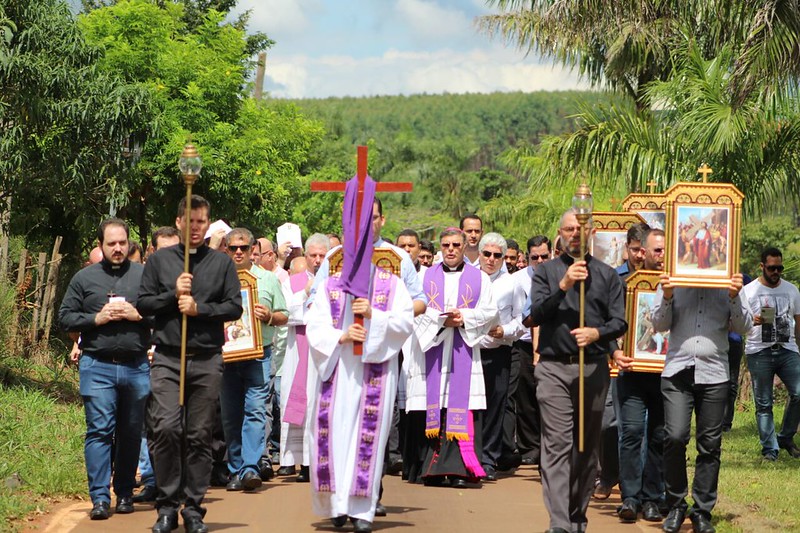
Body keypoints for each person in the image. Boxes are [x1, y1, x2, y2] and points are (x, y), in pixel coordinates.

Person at [137, 195, 243, 533]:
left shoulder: (221, 263)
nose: (195, 228)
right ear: (179, 222)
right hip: (168, 357)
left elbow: (234, 307)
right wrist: (172, 294)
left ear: (207, 224)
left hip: (206, 358)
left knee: (199, 435)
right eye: (190, 221)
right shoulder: (160, 261)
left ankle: (194, 508)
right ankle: (167, 506)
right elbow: (143, 304)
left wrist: (200, 309)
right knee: (166, 428)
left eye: (201, 222)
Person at [530, 209, 630, 533]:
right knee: (557, 445)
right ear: (560, 233)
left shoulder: (607, 275)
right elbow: (536, 314)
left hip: (593, 371)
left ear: (592, 233)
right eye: (569, 228)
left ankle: (576, 515)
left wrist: (597, 333)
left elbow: (619, 321)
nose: (575, 233)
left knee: (586, 449)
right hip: (554, 369)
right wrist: (563, 285)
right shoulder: (546, 272)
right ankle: (559, 522)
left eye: (581, 228)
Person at [59, 218, 151, 520]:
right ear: (101, 245)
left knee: (130, 431)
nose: (118, 248)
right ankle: (99, 497)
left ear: (129, 243)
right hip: (97, 365)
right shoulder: (84, 278)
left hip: (136, 365)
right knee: (99, 431)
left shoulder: (144, 276)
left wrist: (138, 315)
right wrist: (95, 319)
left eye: (122, 242)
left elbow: (163, 315)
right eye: (111, 243)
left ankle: (124, 492)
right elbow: (65, 317)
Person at [651, 268, 751, 533]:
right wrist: (668, 294)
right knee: (674, 437)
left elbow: (744, 327)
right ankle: (675, 504)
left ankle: (702, 511)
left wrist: (734, 296)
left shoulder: (729, 279)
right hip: (677, 372)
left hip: (714, 374)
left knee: (710, 445)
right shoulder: (674, 276)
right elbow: (658, 324)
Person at [406, 227, 497, 487]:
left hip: (463, 349)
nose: (451, 250)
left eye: (456, 245)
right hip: (432, 348)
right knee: (433, 404)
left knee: (460, 404)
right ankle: (431, 470)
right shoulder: (424, 277)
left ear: (464, 247)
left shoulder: (480, 278)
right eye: (446, 245)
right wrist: (440, 321)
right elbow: (414, 308)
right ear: (440, 247)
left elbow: (490, 311)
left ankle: (459, 471)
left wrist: (464, 318)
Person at [221, 228, 288, 492]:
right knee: (231, 415)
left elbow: (284, 315)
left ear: (253, 251)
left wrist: (269, 315)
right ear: (226, 250)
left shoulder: (268, 280)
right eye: (233, 248)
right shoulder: (218, 279)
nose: (239, 252)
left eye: (244, 248)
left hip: (260, 355)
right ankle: (235, 470)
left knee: (256, 410)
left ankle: (250, 468)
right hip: (227, 356)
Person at [616, 228, 667, 523]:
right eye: (656, 250)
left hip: (667, 374)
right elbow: (609, 321)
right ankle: (630, 497)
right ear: (643, 252)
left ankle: (652, 498)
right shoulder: (625, 284)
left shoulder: (677, 284)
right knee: (632, 432)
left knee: (659, 434)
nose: (661, 256)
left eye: (665, 250)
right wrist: (615, 349)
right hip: (633, 372)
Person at [596, 222, 650, 500]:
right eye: (635, 250)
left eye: (644, 250)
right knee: (609, 422)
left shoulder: (659, 281)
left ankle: (640, 486)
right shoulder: (613, 278)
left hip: (649, 362)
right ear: (626, 248)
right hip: (613, 359)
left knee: (643, 428)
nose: (640, 256)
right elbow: (602, 319)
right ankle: (608, 475)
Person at [132, 226, 182, 505]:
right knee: (145, 423)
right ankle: (151, 479)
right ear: (152, 251)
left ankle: (176, 480)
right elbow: (138, 309)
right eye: (163, 250)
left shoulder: (188, 279)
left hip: (173, 360)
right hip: (141, 359)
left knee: (172, 423)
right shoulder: (140, 277)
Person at [279, 235, 330, 482]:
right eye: (313, 255)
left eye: (322, 256)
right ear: (305, 256)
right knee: (304, 403)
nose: (317, 260)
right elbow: (285, 313)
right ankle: (304, 464)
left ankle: (323, 462)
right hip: (300, 353)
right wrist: (305, 293)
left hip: (327, 353)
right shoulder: (294, 282)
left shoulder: (335, 281)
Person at [742, 247, 800, 461]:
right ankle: (770, 449)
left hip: (787, 349)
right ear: (762, 266)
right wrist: (752, 321)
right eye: (771, 268)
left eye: (779, 268)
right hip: (759, 351)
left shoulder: (792, 290)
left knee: (798, 392)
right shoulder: (748, 291)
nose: (776, 272)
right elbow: (737, 323)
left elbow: (798, 322)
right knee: (764, 403)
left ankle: (785, 437)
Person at [476, 233, 525, 480]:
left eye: (497, 255)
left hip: (498, 352)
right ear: (480, 254)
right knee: (471, 407)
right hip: (469, 352)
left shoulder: (512, 283)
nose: (491, 259)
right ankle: (468, 457)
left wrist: (504, 330)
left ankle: (488, 459)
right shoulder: (468, 278)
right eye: (487, 254)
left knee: (496, 407)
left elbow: (522, 319)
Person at [508, 235, 550, 468]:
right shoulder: (517, 279)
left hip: (550, 344)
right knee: (525, 396)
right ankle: (529, 446)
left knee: (548, 396)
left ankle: (547, 445)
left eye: (544, 256)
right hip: (523, 343)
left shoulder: (557, 275)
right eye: (535, 257)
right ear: (527, 257)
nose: (540, 261)